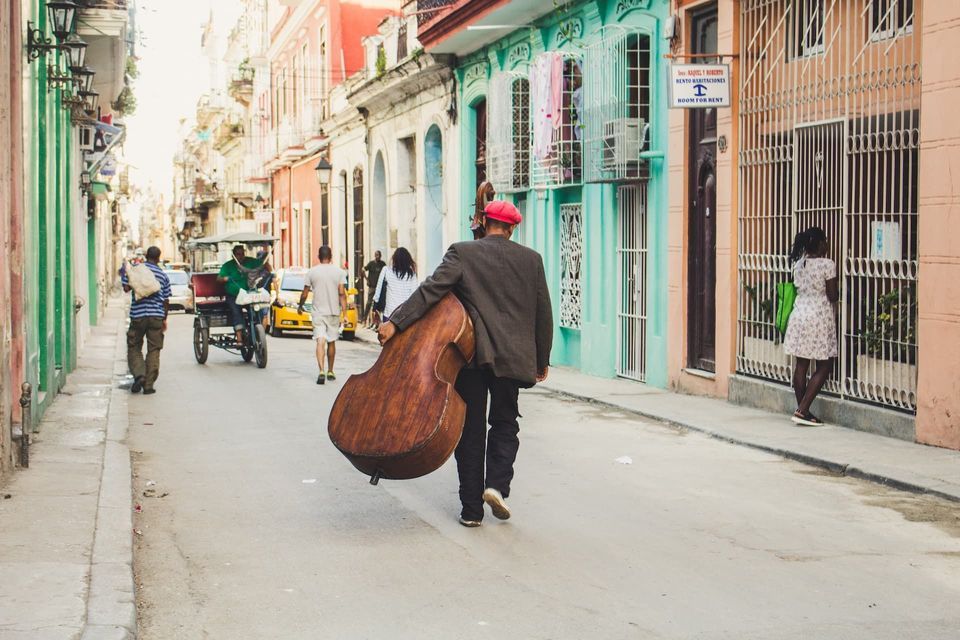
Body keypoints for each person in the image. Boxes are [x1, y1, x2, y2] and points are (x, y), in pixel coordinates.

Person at [379, 201, 553, 527]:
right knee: (505, 423)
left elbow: (431, 290)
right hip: (513, 359)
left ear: (484, 222)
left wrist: (396, 323)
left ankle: (471, 511)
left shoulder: (462, 252)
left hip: (473, 356)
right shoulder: (531, 260)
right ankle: (496, 486)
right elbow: (543, 313)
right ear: (513, 228)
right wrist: (541, 359)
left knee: (470, 430)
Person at [783, 226, 839, 426]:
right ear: (821, 243)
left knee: (802, 364)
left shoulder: (798, 265)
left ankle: (803, 411)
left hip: (799, 315)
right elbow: (832, 295)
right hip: (818, 317)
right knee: (825, 364)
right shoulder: (827, 264)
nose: (827, 244)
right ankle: (803, 409)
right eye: (825, 241)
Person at [121, 246, 171, 395]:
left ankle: (139, 375)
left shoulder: (136, 269)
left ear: (145, 256)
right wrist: (164, 319)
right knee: (154, 349)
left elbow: (125, 288)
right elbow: (166, 301)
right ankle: (148, 385)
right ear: (158, 258)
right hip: (156, 316)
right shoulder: (163, 275)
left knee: (134, 346)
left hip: (138, 315)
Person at [298, 246, 347, 385]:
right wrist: (345, 313)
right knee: (331, 341)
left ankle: (321, 370)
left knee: (320, 340)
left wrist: (300, 306)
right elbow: (342, 293)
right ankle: (330, 370)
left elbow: (305, 293)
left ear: (318, 256)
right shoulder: (339, 272)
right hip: (333, 312)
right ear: (331, 256)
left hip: (318, 312)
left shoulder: (312, 272)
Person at [218, 245, 271, 346]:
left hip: (248, 294)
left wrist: (269, 272)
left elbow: (265, 265)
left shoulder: (250, 261)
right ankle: (239, 338)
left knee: (257, 310)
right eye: (238, 254)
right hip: (233, 295)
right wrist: (225, 279)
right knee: (236, 311)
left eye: (242, 254)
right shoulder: (228, 265)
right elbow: (219, 278)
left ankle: (257, 330)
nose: (241, 256)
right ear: (233, 255)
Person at [372, 247, 419, 323]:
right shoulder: (411, 274)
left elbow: (378, 290)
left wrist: (374, 308)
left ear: (394, 258)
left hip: (389, 314)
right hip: (405, 316)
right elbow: (414, 294)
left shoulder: (386, 270)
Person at [362, 250, 387, 327]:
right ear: (374, 255)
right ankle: (364, 320)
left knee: (378, 305)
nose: (377, 257)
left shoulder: (383, 264)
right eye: (376, 255)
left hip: (379, 288)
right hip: (372, 287)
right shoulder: (371, 264)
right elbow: (363, 269)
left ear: (381, 256)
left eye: (379, 255)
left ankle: (376, 322)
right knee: (369, 303)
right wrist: (367, 280)